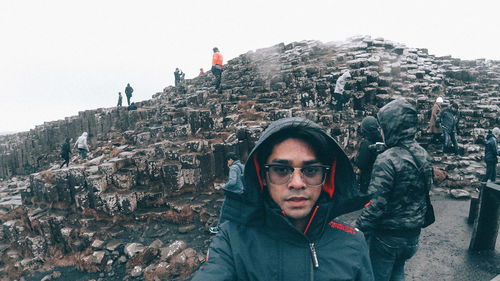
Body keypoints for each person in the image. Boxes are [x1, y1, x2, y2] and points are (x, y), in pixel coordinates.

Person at [192, 117, 373, 281]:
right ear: (263, 176)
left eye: (310, 170)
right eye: (281, 169)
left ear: (326, 178)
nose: (297, 183)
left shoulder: (354, 242)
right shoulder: (232, 240)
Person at [355, 98, 433, 281]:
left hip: (388, 237)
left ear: (392, 126)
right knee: (398, 271)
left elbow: (376, 205)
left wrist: (357, 231)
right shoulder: (423, 153)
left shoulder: (387, 160)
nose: (381, 130)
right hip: (413, 235)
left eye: (383, 125)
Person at [209, 152, 245, 234]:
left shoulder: (234, 168)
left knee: (225, 211)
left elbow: (232, 182)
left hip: (233, 194)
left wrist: (224, 187)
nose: (227, 163)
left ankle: (219, 229)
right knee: (239, 212)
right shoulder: (242, 166)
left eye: (228, 161)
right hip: (242, 193)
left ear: (231, 159)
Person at [354, 116, 383, 194]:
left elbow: (361, 163)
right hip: (381, 181)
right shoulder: (383, 142)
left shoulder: (366, 144)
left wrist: (355, 159)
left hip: (368, 181)